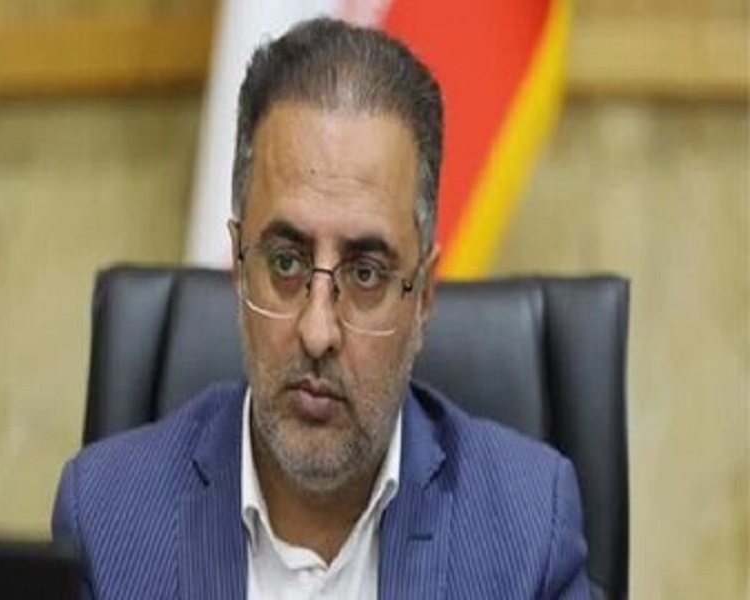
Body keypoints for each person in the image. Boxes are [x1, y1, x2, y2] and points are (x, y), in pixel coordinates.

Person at [53, 17, 590, 599]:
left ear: (423, 297)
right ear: (239, 268)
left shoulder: (526, 527)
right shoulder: (107, 516)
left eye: (365, 274)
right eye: (286, 263)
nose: (316, 332)